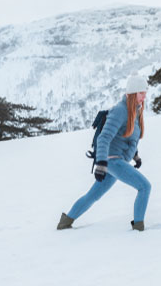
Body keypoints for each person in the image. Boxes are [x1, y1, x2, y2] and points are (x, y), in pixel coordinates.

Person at [57, 74, 151, 232]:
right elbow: (104, 138)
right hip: (113, 161)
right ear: (133, 93)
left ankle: (66, 221)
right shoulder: (120, 110)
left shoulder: (135, 111)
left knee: (93, 196)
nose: (144, 96)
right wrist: (101, 163)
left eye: (145, 93)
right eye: (141, 93)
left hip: (117, 161)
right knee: (144, 187)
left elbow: (128, 136)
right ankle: (139, 227)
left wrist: (135, 155)